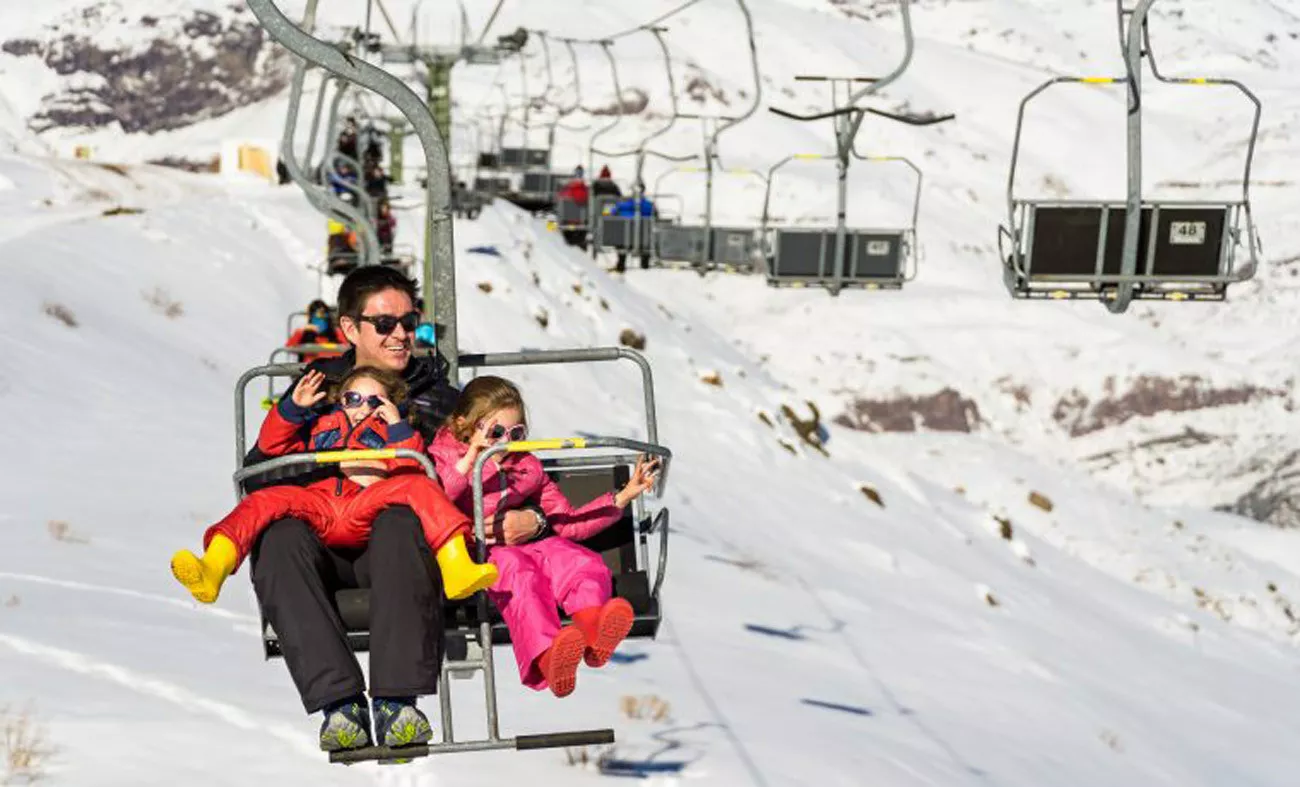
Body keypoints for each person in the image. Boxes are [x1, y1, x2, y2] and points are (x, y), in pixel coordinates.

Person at [240, 267, 548, 752]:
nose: (401, 334)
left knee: (401, 520)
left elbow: (517, 467)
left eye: (409, 322)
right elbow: (259, 469)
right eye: (385, 324)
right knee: (277, 538)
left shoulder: (442, 401)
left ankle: (396, 703)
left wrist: (537, 519)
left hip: (405, 553)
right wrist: (329, 465)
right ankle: (340, 705)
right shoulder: (317, 395)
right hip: (328, 547)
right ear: (349, 329)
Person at [170, 365, 497, 608]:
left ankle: (456, 566)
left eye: (374, 401)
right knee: (264, 500)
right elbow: (274, 446)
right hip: (319, 505)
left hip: (364, 506)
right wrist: (292, 411)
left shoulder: (390, 434)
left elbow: (409, 469)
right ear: (341, 400)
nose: (362, 408)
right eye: (354, 398)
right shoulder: (321, 426)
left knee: (420, 488)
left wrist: (396, 425)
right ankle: (214, 566)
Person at [427, 376, 661, 698]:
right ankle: (548, 656)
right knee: (522, 577)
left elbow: (567, 522)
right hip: (482, 554)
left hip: (533, 542)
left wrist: (619, 499)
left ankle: (594, 626)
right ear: (465, 426)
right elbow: (437, 498)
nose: (505, 443)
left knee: (579, 562)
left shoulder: (527, 467)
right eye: (495, 433)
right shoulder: (445, 457)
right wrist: (470, 461)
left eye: (516, 434)